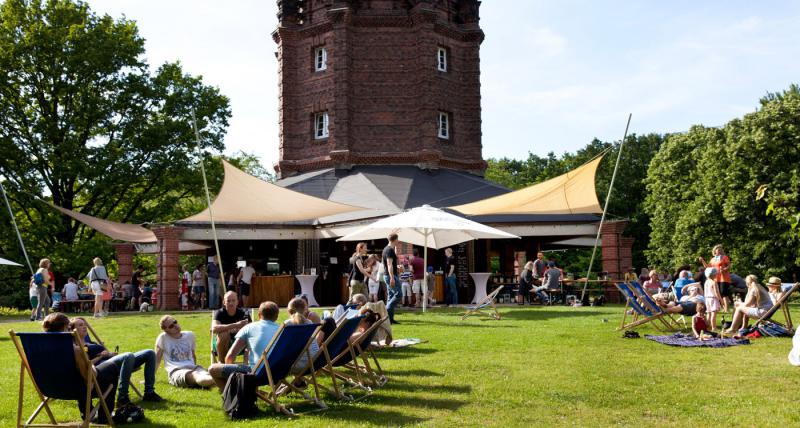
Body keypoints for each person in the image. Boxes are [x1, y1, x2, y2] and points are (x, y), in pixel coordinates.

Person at [42, 313, 120, 424]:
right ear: (65, 328)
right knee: (111, 368)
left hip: (48, 388)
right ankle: (103, 416)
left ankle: (88, 413)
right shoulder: (73, 349)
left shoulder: (39, 346)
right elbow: (89, 376)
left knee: (83, 377)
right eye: (69, 327)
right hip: (73, 389)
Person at [70, 317, 162, 407]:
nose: (85, 327)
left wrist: (110, 354)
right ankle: (122, 397)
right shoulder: (77, 348)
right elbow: (86, 365)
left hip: (110, 361)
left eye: (85, 324)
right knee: (128, 356)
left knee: (149, 353)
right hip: (102, 368)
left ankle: (149, 393)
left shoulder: (90, 343)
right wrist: (101, 356)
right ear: (73, 329)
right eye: (80, 325)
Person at [208, 301, 281, 389]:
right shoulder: (283, 330)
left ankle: (233, 393)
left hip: (257, 373)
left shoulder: (249, 328)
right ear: (276, 316)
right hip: (279, 372)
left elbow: (230, 357)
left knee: (212, 369)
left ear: (259, 315)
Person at [154, 315, 215, 388]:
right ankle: (219, 380)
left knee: (207, 375)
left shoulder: (190, 335)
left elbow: (193, 355)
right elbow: (157, 360)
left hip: (193, 368)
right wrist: (150, 378)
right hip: (176, 371)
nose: (175, 326)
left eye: (175, 322)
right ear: (166, 330)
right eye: (171, 326)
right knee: (196, 376)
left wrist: (194, 366)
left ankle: (220, 381)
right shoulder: (163, 338)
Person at [211, 291, 252, 364]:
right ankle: (222, 363)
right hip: (223, 343)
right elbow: (214, 329)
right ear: (224, 302)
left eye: (233, 300)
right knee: (224, 334)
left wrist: (232, 329)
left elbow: (251, 330)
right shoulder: (220, 313)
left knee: (248, 337)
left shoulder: (244, 313)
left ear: (237, 302)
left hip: (240, 342)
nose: (231, 303)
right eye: (228, 301)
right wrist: (236, 325)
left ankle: (246, 366)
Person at [284, 297, 320, 374]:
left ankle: (287, 383)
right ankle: (298, 382)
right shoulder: (309, 322)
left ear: (289, 310)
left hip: (297, 365)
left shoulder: (287, 324)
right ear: (305, 310)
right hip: (314, 362)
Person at [700, 244, 732, 312]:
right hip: (715, 278)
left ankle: (726, 309)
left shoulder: (724, 257)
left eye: (721, 250)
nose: (720, 251)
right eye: (718, 250)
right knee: (717, 293)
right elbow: (707, 267)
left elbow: (729, 265)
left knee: (724, 293)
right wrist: (702, 260)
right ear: (715, 251)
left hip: (724, 278)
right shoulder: (713, 259)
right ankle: (721, 308)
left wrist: (724, 269)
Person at [382, 233, 401, 323]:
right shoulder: (389, 250)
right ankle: (386, 311)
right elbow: (389, 264)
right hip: (390, 276)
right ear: (395, 240)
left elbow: (389, 264)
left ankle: (390, 319)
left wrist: (396, 268)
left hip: (388, 275)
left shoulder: (387, 249)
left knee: (390, 296)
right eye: (398, 239)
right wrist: (392, 278)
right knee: (398, 294)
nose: (398, 241)